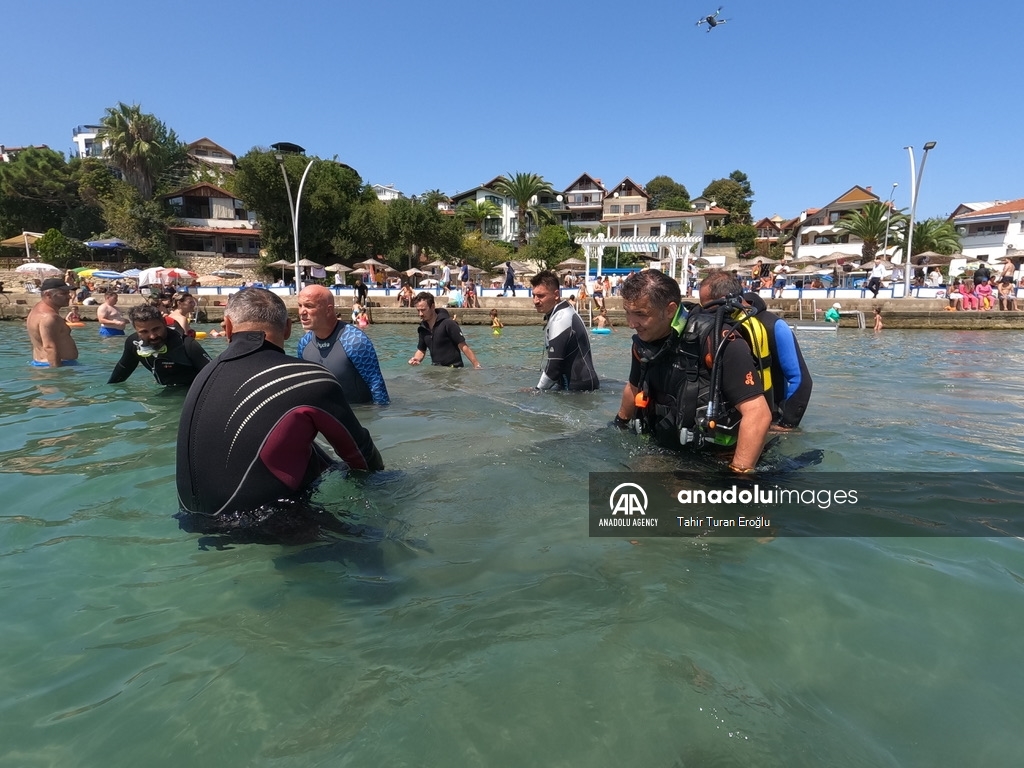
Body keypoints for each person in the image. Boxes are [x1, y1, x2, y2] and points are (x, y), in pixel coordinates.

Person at [176, 288, 384, 520]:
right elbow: (361, 456)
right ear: (287, 328)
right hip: (268, 523)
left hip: (191, 519)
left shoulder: (203, 375)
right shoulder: (311, 378)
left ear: (227, 325)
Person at [613, 270, 771, 472]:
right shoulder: (643, 345)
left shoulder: (716, 340)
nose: (631, 323)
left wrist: (739, 477)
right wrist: (619, 424)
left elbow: (758, 414)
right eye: (628, 312)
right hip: (667, 451)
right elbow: (633, 387)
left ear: (670, 310)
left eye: (641, 315)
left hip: (717, 461)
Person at [296, 285, 389, 406]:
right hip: (326, 415)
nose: (301, 312)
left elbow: (377, 386)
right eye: (300, 305)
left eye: (309, 306)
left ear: (328, 310)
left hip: (359, 416)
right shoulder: (304, 344)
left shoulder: (355, 341)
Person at [741, 291, 813, 430]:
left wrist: (787, 423)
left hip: (771, 417)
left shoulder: (773, 325)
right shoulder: (725, 323)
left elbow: (801, 379)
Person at [108, 304, 211, 387]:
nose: (152, 336)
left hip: (191, 391)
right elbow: (119, 375)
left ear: (164, 323)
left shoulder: (187, 345)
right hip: (166, 393)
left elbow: (215, 375)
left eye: (156, 329)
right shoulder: (133, 344)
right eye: (144, 332)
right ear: (135, 330)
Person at [530, 270, 599, 392]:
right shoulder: (562, 312)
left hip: (579, 391)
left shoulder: (561, 319)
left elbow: (554, 368)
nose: (535, 301)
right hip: (574, 387)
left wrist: (536, 391)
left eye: (541, 296)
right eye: (533, 295)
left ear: (556, 294)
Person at [409, 291, 481, 368]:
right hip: (436, 370)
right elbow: (421, 350)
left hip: (454, 370)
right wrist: (416, 359)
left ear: (432, 306)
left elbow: (463, 346)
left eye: (423, 310)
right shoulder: (422, 328)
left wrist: (476, 365)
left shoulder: (448, 324)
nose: (420, 314)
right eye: (418, 310)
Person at [27, 278, 79, 367]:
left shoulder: (36, 310)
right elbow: (49, 347)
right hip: (55, 365)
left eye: (68, 293)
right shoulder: (50, 317)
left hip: (41, 363)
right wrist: (56, 376)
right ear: (48, 295)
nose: (69, 296)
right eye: (63, 293)